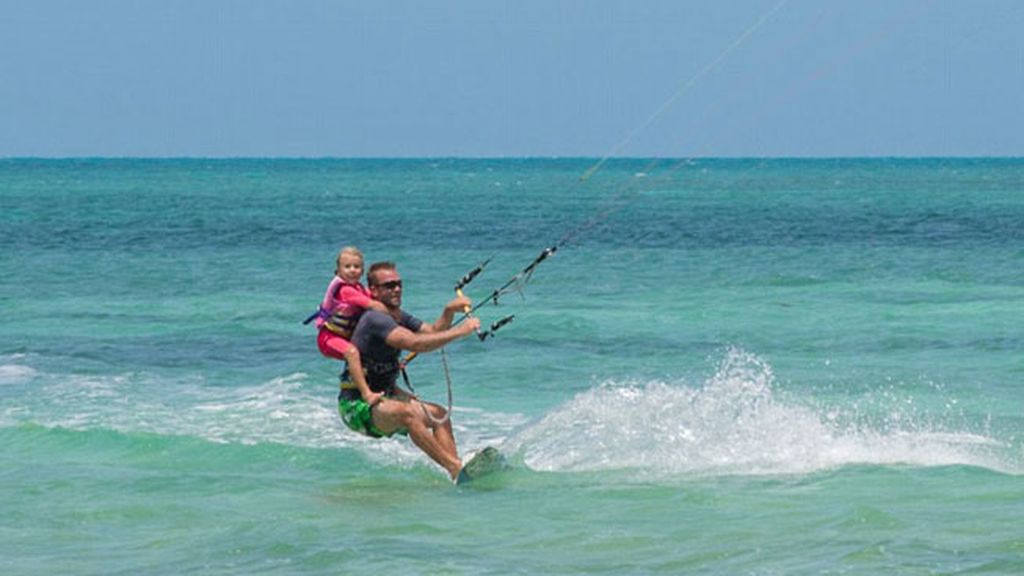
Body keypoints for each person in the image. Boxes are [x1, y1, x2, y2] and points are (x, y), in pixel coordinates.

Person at [338, 261, 480, 481]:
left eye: (399, 284)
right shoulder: (375, 319)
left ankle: (458, 476)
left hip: (386, 396)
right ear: (373, 291)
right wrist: (460, 332)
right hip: (357, 405)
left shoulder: (398, 316)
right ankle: (454, 467)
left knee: (439, 415)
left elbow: (432, 331)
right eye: (389, 285)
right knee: (408, 414)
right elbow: (416, 344)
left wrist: (449, 311)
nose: (396, 289)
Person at [311, 247, 388, 409]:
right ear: (338, 270)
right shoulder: (344, 290)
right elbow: (373, 304)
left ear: (362, 271)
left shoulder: (359, 289)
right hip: (328, 338)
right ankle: (367, 395)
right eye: (347, 267)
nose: (352, 270)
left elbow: (374, 298)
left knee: (375, 355)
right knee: (352, 353)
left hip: (343, 337)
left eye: (356, 267)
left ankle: (386, 389)